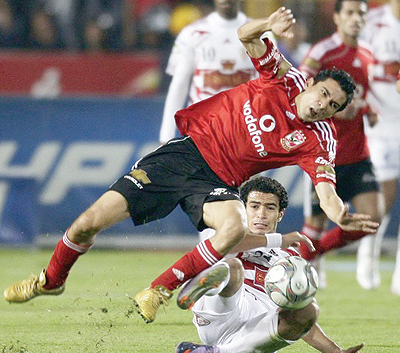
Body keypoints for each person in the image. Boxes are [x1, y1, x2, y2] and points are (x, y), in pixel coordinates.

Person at [4, 8, 378, 326]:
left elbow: (326, 192)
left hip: (217, 180)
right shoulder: (284, 77)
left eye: (332, 106)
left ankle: (160, 289)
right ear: (312, 83)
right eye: (324, 94)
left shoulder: (319, 139)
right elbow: (245, 35)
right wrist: (267, 23)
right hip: (183, 154)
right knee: (88, 224)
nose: (322, 105)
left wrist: (340, 215)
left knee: (235, 226)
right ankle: (52, 280)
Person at [174, 176, 383, 353]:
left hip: (259, 331)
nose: (261, 215)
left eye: (270, 208)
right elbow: (228, 244)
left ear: (280, 214)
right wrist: (277, 240)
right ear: (242, 208)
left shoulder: (290, 257)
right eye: (254, 206)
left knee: (309, 308)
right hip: (221, 311)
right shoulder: (224, 232)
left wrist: (336, 352)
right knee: (232, 266)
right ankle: (200, 291)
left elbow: (304, 322)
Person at [295, 0, 383, 289]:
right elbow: (301, 85)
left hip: (357, 152)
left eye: (361, 14)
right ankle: (298, 272)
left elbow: (362, 94)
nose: (356, 19)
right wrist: (332, 109)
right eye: (350, 13)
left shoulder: (369, 53)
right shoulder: (323, 51)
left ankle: (313, 255)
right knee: (315, 226)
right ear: (336, 17)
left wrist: (368, 109)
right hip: (325, 153)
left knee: (372, 217)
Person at [158, 0, 258, 145]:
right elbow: (179, 85)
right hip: (203, 131)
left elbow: (271, 82)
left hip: (246, 132)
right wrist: (166, 136)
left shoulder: (257, 31)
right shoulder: (192, 32)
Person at [357, 0, 400, 294]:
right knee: (384, 196)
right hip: (382, 122)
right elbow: (356, 65)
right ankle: (367, 250)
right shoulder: (372, 23)